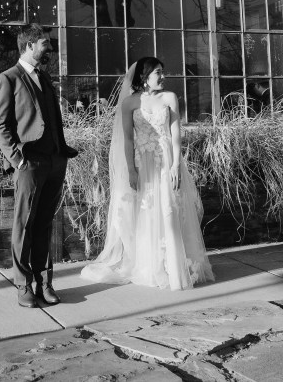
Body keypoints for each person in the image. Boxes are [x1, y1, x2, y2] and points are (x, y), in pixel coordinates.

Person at [81, 57, 214, 290]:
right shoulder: (130, 103)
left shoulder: (169, 98)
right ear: (144, 77)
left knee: (170, 209)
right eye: (158, 73)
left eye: (163, 72)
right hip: (142, 163)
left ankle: (175, 268)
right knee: (147, 212)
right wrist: (131, 170)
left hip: (166, 161)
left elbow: (175, 134)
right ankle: (151, 266)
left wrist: (175, 165)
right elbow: (128, 139)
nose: (163, 77)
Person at [0, 23, 79, 308]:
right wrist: (17, 160)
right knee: (24, 225)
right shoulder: (8, 78)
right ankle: (23, 286)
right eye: (44, 43)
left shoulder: (45, 77)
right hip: (29, 163)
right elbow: (0, 126)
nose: (49, 47)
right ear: (29, 45)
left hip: (54, 161)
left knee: (44, 225)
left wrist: (60, 156)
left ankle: (44, 284)